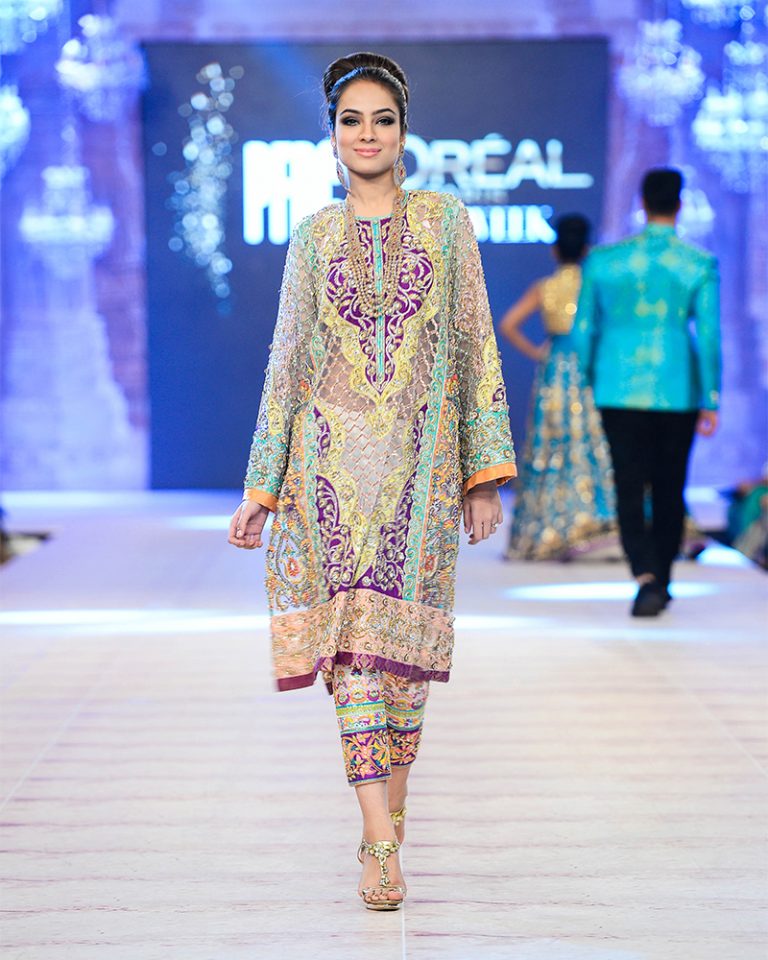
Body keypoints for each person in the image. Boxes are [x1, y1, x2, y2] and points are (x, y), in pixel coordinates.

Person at [228, 52, 515, 910]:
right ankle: (380, 838)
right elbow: (288, 359)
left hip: (423, 476)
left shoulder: (446, 221)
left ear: (403, 131)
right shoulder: (314, 236)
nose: (366, 134)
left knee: (406, 664)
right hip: (329, 478)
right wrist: (262, 487)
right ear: (331, 135)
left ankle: (390, 812)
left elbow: (474, 342)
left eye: (381, 120)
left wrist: (483, 476)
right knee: (353, 657)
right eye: (351, 121)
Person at [571, 168, 721, 617]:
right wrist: (711, 396)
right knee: (670, 485)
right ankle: (662, 576)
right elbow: (709, 336)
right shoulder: (697, 263)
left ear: (642, 202)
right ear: (680, 204)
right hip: (677, 387)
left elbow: (583, 329)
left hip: (617, 386)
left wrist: (589, 377)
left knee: (629, 483)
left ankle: (645, 575)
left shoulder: (604, 261)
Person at [499, 215, 616, 561]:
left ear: (554, 250)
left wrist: (539, 352)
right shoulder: (594, 285)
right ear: (587, 248)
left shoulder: (545, 286)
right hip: (589, 367)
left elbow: (508, 324)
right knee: (595, 441)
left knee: (552, 442)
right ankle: (596, 520)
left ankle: (551, 526)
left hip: (555, 368)